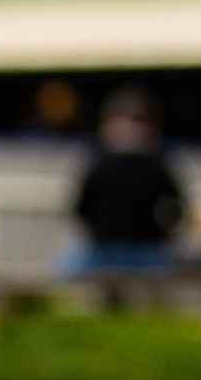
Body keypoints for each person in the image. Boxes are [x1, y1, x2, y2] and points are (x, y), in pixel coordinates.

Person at [68, 86, 187, 279]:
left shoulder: (157, 165)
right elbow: (81, 208)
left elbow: (177, 208)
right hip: (106, 250)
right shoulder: (101, 164)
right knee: (65, 269)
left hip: (147, 252)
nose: (128, 129)